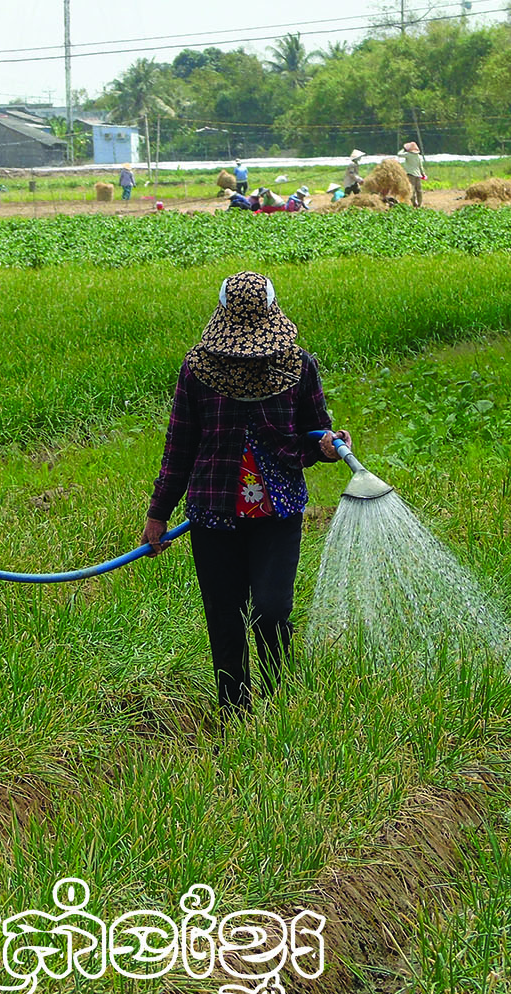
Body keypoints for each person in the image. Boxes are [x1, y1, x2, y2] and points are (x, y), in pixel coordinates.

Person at [141, 271, 350, 719]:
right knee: (225, 618)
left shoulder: (298, 366)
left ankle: (278, 706)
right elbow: (179, 446)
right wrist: (158, 514)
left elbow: (317, 430)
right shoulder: (198, 370)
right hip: (213, 512)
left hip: (279, 511)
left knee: (272, 611)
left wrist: (330, 446)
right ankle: (234, 714)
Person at [399, 141, 426, 207]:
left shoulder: (408, 155)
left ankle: (414, 203)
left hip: (411, 174)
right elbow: (420, 166)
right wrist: (423, 174)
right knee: (419, 190)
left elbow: (399, 154)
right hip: (418, 175)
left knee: (412, 190)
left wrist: (403, 149)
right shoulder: (418, 156)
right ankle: (419, 204)